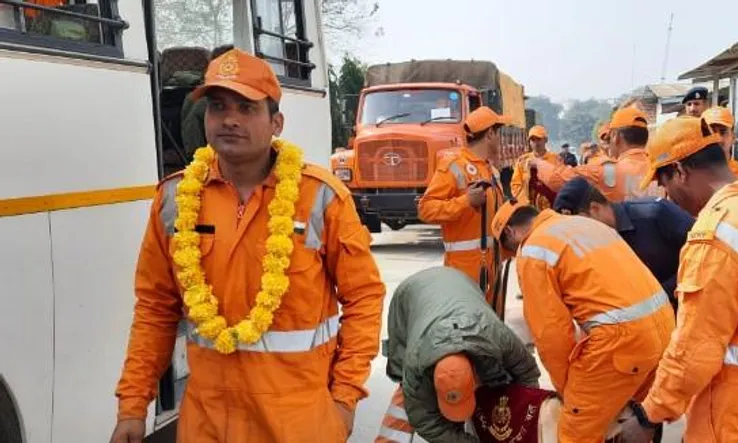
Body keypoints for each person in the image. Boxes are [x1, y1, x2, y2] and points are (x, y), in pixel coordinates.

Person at [110, 49, 386, 443]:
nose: (230, 120)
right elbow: (155, 309)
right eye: (217, 107)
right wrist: (133, 406)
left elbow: (365, 300)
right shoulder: (175, 199)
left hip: (299, 422)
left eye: (246, 107)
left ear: (276, 122)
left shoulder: (320, 198)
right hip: (207, 423)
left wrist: (344, 399)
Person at [631, 116, 738, 442]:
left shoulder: (717, 234)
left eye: (664, 182)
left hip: (734, 420)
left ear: (681, 172)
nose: (667, 196)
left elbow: (695, 348)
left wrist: (650, 413)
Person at [491, 200, 675, 443]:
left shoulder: (533, 250)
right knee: (630, 422)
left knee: (576, 432)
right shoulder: (583, 224)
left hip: (622, 342)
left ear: (509, 232)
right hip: (662, 328)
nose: (515, 255)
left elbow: (551, 334)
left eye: (511, 250)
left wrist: (569, 391)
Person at [376, 267, 542, 443]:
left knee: (500, 384)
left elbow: (528, 373)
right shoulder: (415, 367)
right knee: (408, 398)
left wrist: (524, 412)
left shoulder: (498, 337)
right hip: (408, 297)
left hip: (463, 287)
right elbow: (425, 422)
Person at [552, 177, 694, 304]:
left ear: (594, 208)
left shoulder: (655, 214)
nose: (581, 235)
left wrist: (661, 293)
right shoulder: (594, 245)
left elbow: (704, 258)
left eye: (580, 226)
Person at [418, 106, 507, 303]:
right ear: (490, 134)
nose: (500, 139)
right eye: (498, 133)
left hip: (492, 269)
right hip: (464, 272)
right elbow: (426, 209)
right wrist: (466, 201)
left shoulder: (491, 171)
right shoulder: (454, 166)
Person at [530, 107, 658, 203]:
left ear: (616, 137)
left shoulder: (607, 170)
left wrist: (538, 163)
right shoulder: (659, 169)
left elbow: (557, 180)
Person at [510, 125, 561, 210]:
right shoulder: (522, 161)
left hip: (550, 208)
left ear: (546, 140)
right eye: (533, 140)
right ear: (529, 142)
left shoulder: (556, 159)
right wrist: (524, 202)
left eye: (539, 139)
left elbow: (560, 183)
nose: (536, 143)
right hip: (530, 210)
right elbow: (515, 184)